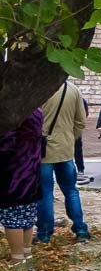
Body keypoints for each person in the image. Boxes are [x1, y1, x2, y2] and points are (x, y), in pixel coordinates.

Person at [36, 80, 91, 243]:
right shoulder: (73, 90)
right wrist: (69, 139)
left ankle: (44, 234)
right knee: (71, 191)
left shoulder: (39, 88)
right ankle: (80, 229)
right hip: (66, 151)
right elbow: (81, 121)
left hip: (43, 152)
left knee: (45, 193)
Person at [1, 108, 44, 262]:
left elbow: (6, 146)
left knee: (12, 217)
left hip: (14, 175)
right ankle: (27, 253)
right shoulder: (36, 111)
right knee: (27, 215)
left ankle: (17, 258)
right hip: (32, 169)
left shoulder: (13, 114)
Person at [74, 96, 92, 185]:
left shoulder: (81, 100)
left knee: (77, 149)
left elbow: (85, 114)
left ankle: (80, 169)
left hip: (75, 128)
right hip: (64, 128)